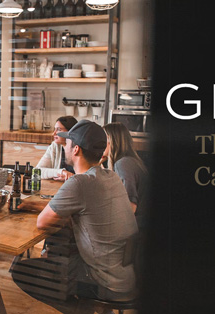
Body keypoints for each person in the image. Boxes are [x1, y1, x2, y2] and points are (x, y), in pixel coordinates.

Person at [15, 120, 138, 312]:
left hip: (103, 282)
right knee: (62, 251)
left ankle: (83, 309)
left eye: (68, 143)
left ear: (76, 149)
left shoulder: (80, 182)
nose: (64, 146)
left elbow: (43, 222)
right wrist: (32, 205)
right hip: (123, 275)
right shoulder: (109, 176)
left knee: (22, 271)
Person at [103, 122, 148, 229]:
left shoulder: (123, 164)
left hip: (137, 228)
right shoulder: (129, 160)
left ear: (110, 140)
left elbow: (129, 208)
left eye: (101, 138)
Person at [36, 115, 78, 180]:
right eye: (54, 129)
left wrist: (71, 177)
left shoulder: (79, 149)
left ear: (70, 132)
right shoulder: (54, 146)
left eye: (58, 129)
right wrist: (61, 172)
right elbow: (37, 171)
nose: (53, 133)